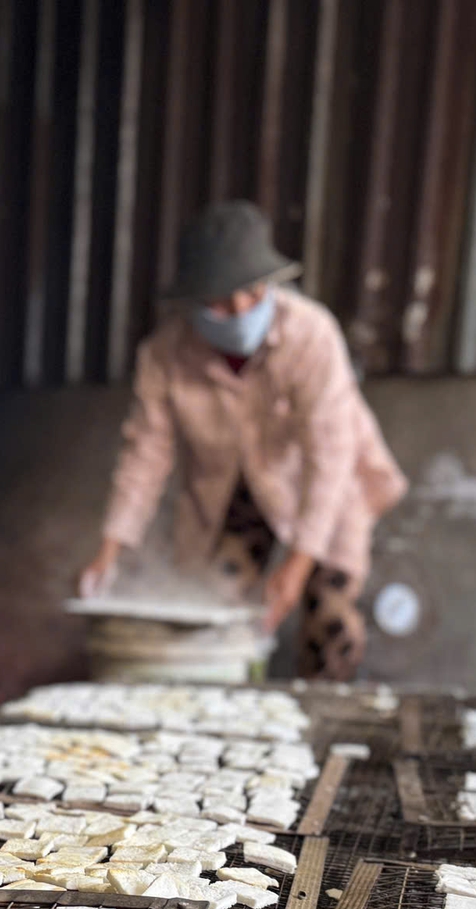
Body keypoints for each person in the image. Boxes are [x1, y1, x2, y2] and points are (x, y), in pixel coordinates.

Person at [78, 201, 406, 680]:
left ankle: (320, 715)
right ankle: (228, 700)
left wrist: (296, 568)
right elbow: (144, 456)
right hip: (233, 495)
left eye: (252, 294)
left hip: (321, 493)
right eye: (219, 300)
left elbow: (330, 457)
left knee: (330, 619)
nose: (238, 311)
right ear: (191, 300)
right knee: (216, 611)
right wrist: (109, 550)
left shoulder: (311, 335)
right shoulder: (165, 355)